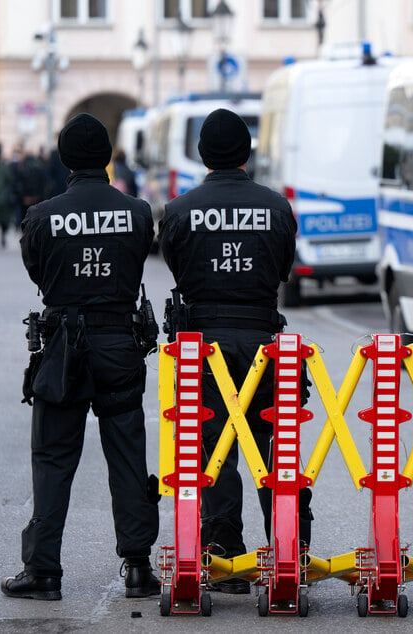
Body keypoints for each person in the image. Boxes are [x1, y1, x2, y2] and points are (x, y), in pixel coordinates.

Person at [1, 113, 160, 601]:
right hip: (119, 344)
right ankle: (137, 567)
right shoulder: (137, 211)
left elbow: (38, 271)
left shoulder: (43, 216)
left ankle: (43, 569)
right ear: (107, 156)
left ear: (66, 159)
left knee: (52, 456)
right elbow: (137, 261)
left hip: (64, 345)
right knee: (128, 456)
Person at [158, 108, 310, 594]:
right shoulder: (277, 207)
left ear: (202, 154)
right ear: (246, 153)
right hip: (267, 343)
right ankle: (290, 551)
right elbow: (283, 267)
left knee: (214, 450)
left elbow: (177, 268)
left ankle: (224, 556)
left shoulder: (181, 210)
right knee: (275, 445)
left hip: (204, 348)